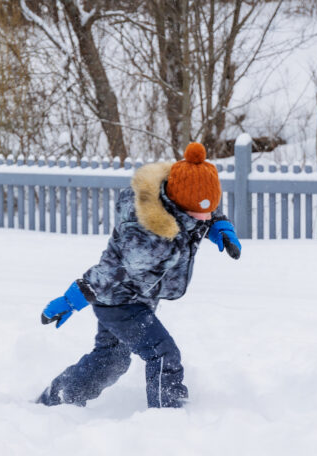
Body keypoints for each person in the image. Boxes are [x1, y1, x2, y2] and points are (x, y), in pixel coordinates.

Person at [37, 142, 241, 409]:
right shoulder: (148, 235)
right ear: (177, 203)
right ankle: (167, 418)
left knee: (111, 360)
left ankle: (57, 398)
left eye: (209, 210)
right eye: (199, 213)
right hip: (120, 301)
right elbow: (110, 272)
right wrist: (71, 300)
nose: (205, 218)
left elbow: (203, 213)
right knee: (163, 354)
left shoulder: (182, 205)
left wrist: (219, 226)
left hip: (139, 296)